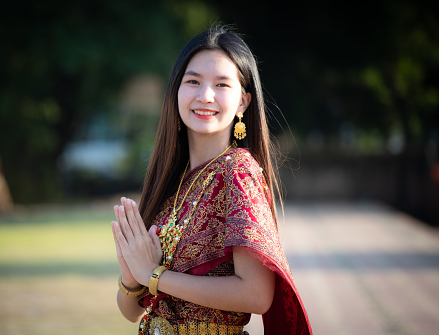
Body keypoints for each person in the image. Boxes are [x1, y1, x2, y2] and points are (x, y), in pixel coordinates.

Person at [111, 26, 312, 335]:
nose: (205, 96)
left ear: (243, 102)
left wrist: (154, 275)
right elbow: (131, 313)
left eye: (221, 84)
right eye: (193, 81)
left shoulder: (238, 173)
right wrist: (131, 277)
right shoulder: (173, 183)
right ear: (177, 91)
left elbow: (257, 296)